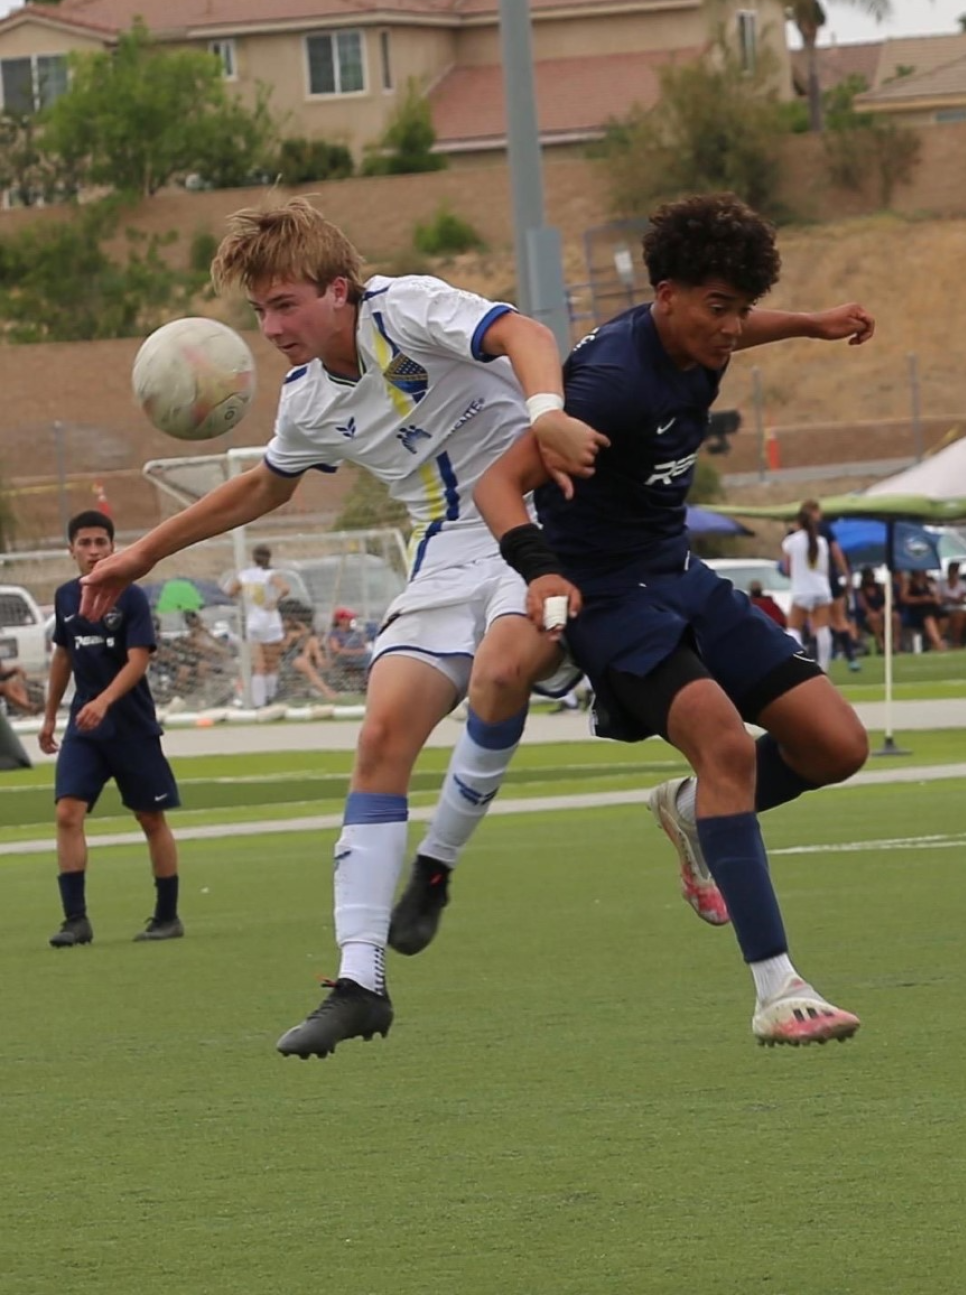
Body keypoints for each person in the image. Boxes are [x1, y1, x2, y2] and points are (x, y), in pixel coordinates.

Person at [78, 196, 605, 1058]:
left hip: (534, 520)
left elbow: (526, 334)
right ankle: (361, 982)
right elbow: (265, 484)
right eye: (260, 312)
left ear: (337, 290)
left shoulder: (407, 309)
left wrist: (545, 410)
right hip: (442, 555)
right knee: (379, 737)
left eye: (285, 305)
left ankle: (437, 860)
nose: (272, 328)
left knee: (500, 673)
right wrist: (140, 554)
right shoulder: (309, 400)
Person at [475, 193, 873, 1048]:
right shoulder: (610, 385)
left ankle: (693, 810)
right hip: (609, 597)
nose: (731, 328)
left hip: (679, 574)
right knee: (725, 745)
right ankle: (778, 990)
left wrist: (809, 324)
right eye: (718, 308)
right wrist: (542, 573)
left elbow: (741, 326)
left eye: (740, 308)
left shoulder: (701, 339)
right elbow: (497, 486)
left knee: (836, 745)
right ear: (666, 295)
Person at [38, 510, 184, 948]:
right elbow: (64, 656)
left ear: (113, 547)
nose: (94, 551)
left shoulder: (131, 597)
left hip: (131, 725)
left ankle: (167, 916)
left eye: (101, 542)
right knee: (67, 813)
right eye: (85, 543)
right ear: (71, 549)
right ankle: (75, 921)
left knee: (150, 817)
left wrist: (104, 701)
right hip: (85, 727)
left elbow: (139, 660)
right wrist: (50, 715)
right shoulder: (66, 597)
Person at [225, 544, 289, 707]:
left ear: (253, 558)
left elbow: (230, 591)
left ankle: (258, 703)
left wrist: (242, 599)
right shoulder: (270, 574)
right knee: (272, 664)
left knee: (259, 665)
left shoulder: (245, 575)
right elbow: (285, 588)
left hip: (254, 622)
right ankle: (269, 698)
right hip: (271, 622)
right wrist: (274, 600)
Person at [802, 499, 860, 671]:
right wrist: (846, 574)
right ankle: (851, 658)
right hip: (829, 580)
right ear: (815, 511)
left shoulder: (798, 531)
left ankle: (816, 660)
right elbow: (836, 552)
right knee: (839, 619)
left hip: (810, 582)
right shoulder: (825, 529)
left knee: (816, 623)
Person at [780, 503, 835, 672]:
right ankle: (824, 667)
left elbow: (787, 569)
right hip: (821, 588)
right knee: (822, 628)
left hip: (801, 590)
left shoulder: (791, 542)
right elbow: (825, 568)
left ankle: (797, 666)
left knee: (793, 628)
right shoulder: (821, 541)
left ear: (798, 522)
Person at [898, 569, 946, 652]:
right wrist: (921, 599)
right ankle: (938, 643)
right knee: (928, 618)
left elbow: (937, 595)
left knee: (944, 617)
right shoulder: (909, 582)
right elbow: (904, 598)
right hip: (917, 609)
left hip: (931, 607)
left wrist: (935, 597)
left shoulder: (929, 581)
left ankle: (937, 639)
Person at [855, 566, 899, 654]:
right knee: (874, 618)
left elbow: (891, 600)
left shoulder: (881, 587)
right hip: (869, 616)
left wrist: (885, 608)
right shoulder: (860, 591)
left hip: (884, 612)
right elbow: (864, 606)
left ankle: (895, 645)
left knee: (895, 616)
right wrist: (873, 612)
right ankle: (881, 644)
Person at [937, 562, 966, 647]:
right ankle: (957, 642)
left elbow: (961, 598)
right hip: (947, 608)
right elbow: (940, 598)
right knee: (958, 616)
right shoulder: (941, 584)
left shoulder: (963, 583)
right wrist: (952, 600)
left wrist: (949, 598)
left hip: (961, 607)